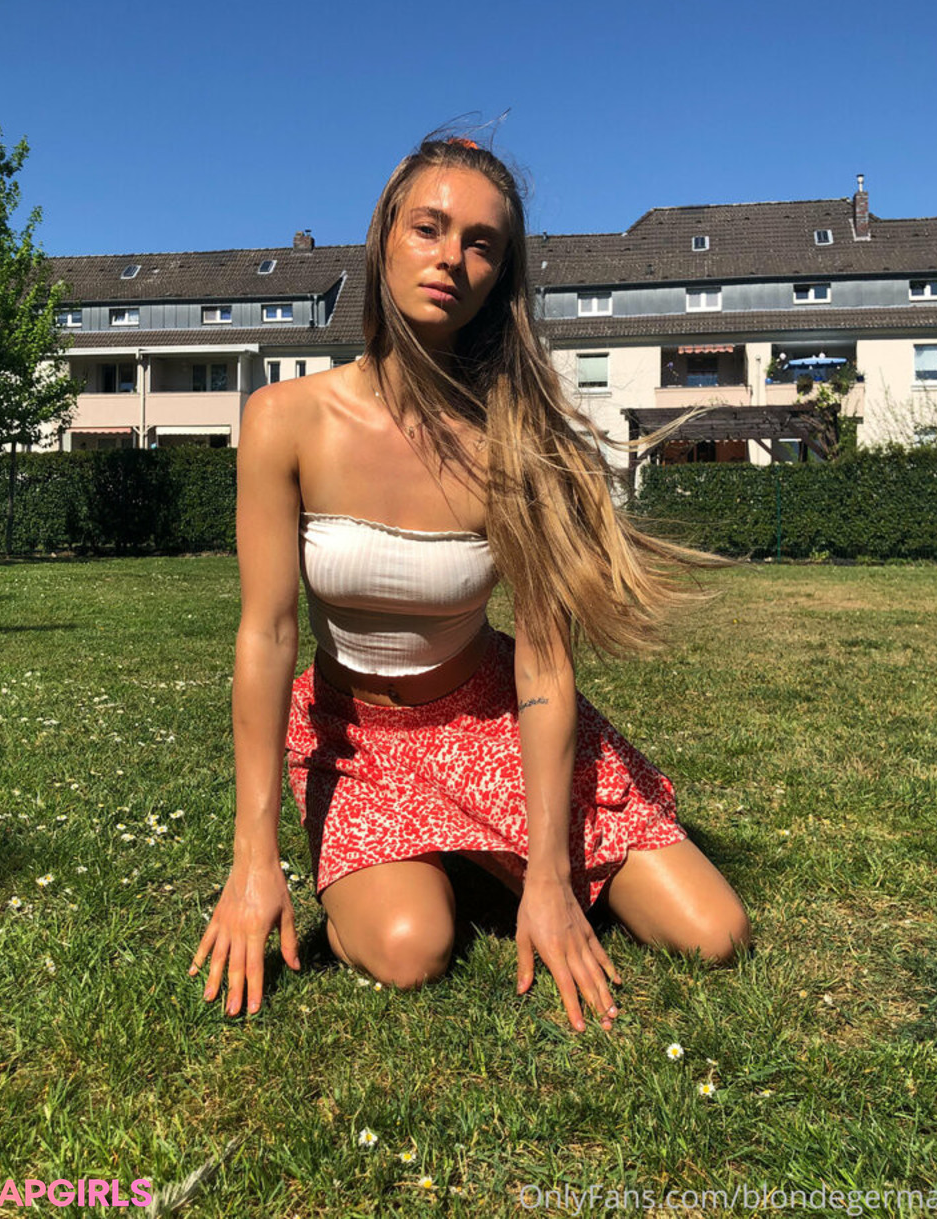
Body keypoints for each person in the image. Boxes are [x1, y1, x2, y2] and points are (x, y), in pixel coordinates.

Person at [189, 133, 752, 1034]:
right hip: (358, 741)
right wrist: (253, 856)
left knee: (714, 932)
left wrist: (552, 878)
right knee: (410, 949)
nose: (451, 256)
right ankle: (434, 864)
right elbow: (266, 634)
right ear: (383, 237)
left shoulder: (522, 441)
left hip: (490, 720)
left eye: (481, 243)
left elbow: (545, 665)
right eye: (429, 227)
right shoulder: (284, 417)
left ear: (500, 276)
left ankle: (496, 857)